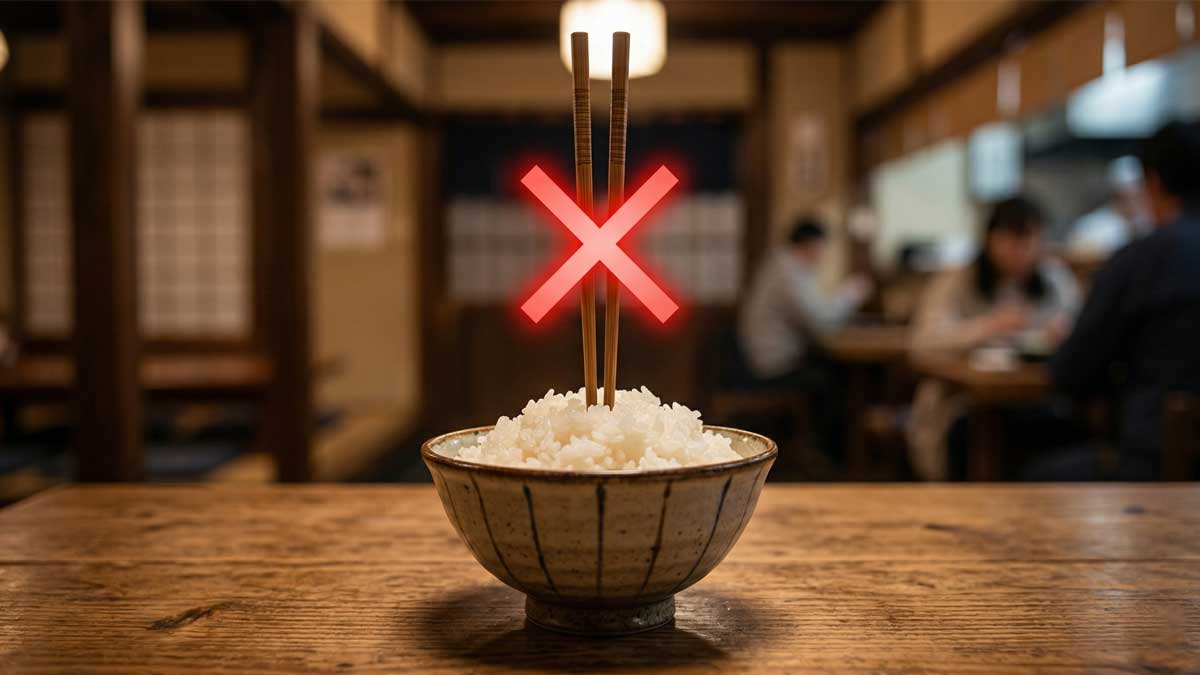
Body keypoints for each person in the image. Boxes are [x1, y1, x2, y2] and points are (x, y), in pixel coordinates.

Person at [1051, 121, 1200, 479]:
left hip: (1153, 470)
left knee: (1029, 477)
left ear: (1152, 183)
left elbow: (1071, 371)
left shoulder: (1140, 261)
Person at [908, 196, 1081, 480]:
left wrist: (1063, 334)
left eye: (1031, 241)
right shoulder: (959, 278)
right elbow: (921, 343)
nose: (1023, 252)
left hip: (1037, 399)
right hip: (964, 402)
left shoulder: (1054, 278)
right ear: (990, 239)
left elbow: (1078, 328)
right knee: (977, 430)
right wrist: (989, 326)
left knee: (1061, 431)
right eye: (1013, 241)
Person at [737, 217, 871, 383]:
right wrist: (850, 295)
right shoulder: (788, 272)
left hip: (770, 358)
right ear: (813, 245)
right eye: (823, 248)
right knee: (843, 376)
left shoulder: (782, 266)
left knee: (841, 371)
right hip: (774, 363)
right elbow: (821, 322)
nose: (824, 255)